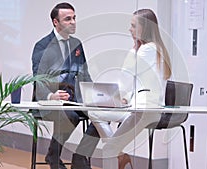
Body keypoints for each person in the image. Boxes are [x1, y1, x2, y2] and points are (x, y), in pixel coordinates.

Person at [88, 9, 172, 169]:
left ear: (145, 28)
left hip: (144, 111)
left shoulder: (148, 49)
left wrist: (134, 47)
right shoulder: (153, 48)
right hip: (136, 107)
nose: (130, 29)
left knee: (109, 148)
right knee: (94, 112)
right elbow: (135, 79)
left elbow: (127, 72)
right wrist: (124, 97)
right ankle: (120, 153)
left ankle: (118, 153)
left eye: (133, 26)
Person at [31, 2, 99, 169]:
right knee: (71, 115)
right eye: (68, 19)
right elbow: (38, 79)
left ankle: (80, 157)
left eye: (74, 18)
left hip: (75, 100)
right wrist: (51, 96)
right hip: (49, 102)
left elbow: (85, 75)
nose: (73, 22)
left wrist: (94, 95)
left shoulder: (77, 44)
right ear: (56, 22)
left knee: (103, 114)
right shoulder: (42, 46)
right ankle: (53, 156)